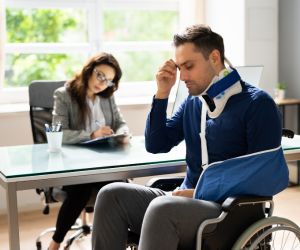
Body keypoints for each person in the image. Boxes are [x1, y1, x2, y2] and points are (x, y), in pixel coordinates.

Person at [91, 25, 289, 250]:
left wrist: (198, 193)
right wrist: (162, 93)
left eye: (189, 66)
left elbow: (263, 177)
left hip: (229, 213)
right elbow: (157, 144)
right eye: (179, 67)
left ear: (214, 57)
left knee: (162, 208)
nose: (182, 76)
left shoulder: (258, 104)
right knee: (110, 195)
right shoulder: (194, 102)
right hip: (183, 202)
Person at [48, 52, 130, 250]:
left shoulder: (107, 97)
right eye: (100, 75)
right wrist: (92, 135)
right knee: (81, 189)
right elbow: (60, 133)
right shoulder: (64, 95)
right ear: (89, 70)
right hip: (74, 165)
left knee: (122, 187)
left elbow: (120, 123)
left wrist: (123, 134)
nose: (102, 83)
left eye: (109, 81)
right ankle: (56, 242)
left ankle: (119, 242)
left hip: (102, 162)